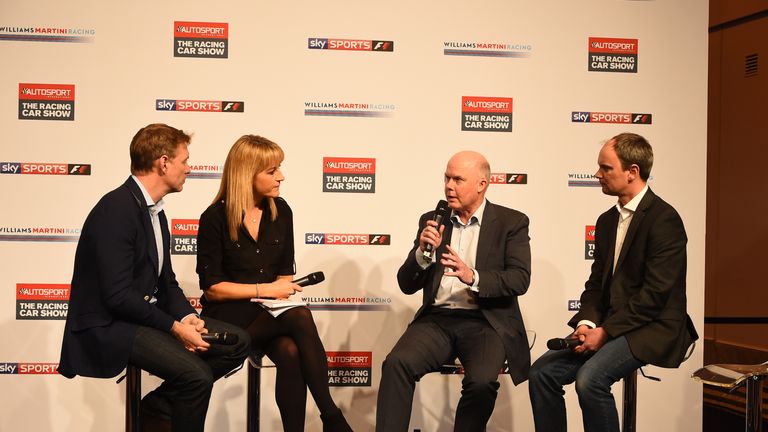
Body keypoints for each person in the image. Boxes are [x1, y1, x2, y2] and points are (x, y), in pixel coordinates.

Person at [58, 123, 251, 432]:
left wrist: (187, 317)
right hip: (109, 324)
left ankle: (158, 407)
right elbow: (118, 296)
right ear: (163, 163)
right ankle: (162, 411)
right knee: (196, 376)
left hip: (138, 316)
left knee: (238, 343)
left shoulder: (155, 212)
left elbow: (167, 283)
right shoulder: (116, 209)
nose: (189, 168)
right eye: (184, 160)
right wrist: (175, 328)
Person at [528, 133, 699, 432]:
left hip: (654, 326)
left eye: (606, 168)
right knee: (542, 373)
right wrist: (587, 323)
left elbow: (655, 294)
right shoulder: (606, 221)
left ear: (632, 171)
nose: (598, 174)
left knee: (590, 379)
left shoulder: (664, 219)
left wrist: (606, 331)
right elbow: (596, 284)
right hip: (613, 322)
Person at [196, 135, 353, 432]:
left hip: (270, 315)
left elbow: (284, 276)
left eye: (279, 168)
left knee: (290, 352)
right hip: (228, 317)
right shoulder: (214, 217)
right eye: (272, 171)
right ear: (247, 174)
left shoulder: (281, 211)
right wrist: (265, 290)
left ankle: (323, 421)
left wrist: (279, 291)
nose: (281, 176)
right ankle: (332, 417)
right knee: (300, 316)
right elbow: (213, 289)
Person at [376, 150, 532, 432]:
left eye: (458, 179)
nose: (449, 186)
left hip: (486, 321)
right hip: (437, 320)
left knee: (482, 382)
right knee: (397, 363)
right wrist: (422, 254)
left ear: (482, 184)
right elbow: (406, 284)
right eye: (447, 178)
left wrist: (473, 276)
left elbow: (519, 279)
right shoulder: (433, 219)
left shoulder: (511, 222)